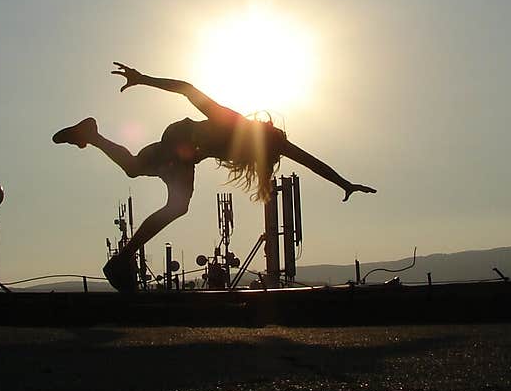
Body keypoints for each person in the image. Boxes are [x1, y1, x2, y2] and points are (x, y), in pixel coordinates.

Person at [52, 62, 377, 292]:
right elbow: (188, 90)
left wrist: (344, 183)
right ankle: (120, 262)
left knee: (135, 168)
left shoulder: (270, 142)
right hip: (181, 140)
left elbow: (309, 161)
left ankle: (91, 135)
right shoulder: (233, 122)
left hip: (183, 148)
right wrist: (143, 78)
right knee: (177, 206)